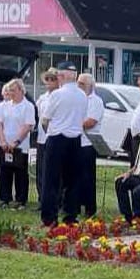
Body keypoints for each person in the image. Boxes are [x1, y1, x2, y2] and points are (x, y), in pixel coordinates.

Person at [39, 61, 87, 226]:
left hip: (57, 137)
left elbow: (45, 119)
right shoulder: (82, 95)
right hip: (75, 138)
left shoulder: (57, 95)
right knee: (72, 180)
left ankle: (49, 217)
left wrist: (48, 132)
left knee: (51, 180)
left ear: (62, 76)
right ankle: (70, 215)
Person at [0, 78, 36, 210]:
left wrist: (16, 142)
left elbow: (27, 126)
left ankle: (20, 200)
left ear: (21, 90)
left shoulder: (28, 106)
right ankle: (5, 199)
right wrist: (2, 141)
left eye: (13, 90)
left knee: (20, 173)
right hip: (4, 144)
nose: (11, 93)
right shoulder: (4, 106)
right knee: (4, 172)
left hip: (20, 146)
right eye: (9, 90)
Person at [77, 73, 104, 218]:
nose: (79, 86)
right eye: (78, 83)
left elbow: (90, 122)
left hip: (88, 143)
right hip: (76, 141)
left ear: (90, 85)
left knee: (87, 178)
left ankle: (89, 208)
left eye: (82, 84)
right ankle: (74, 205)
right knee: (75, 177)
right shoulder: (77, 98)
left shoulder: (96, 101)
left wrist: (73, 123)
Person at [34, 68, 59, 203]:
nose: (49, 82)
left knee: (53, 170)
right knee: (40, 169)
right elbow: (39, 115)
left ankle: (55, 199)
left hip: (54, 136)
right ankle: (41, 198)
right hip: (42, 137)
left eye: (52, 79)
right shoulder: (42, 98)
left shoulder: (59, 96)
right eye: (47, 79)